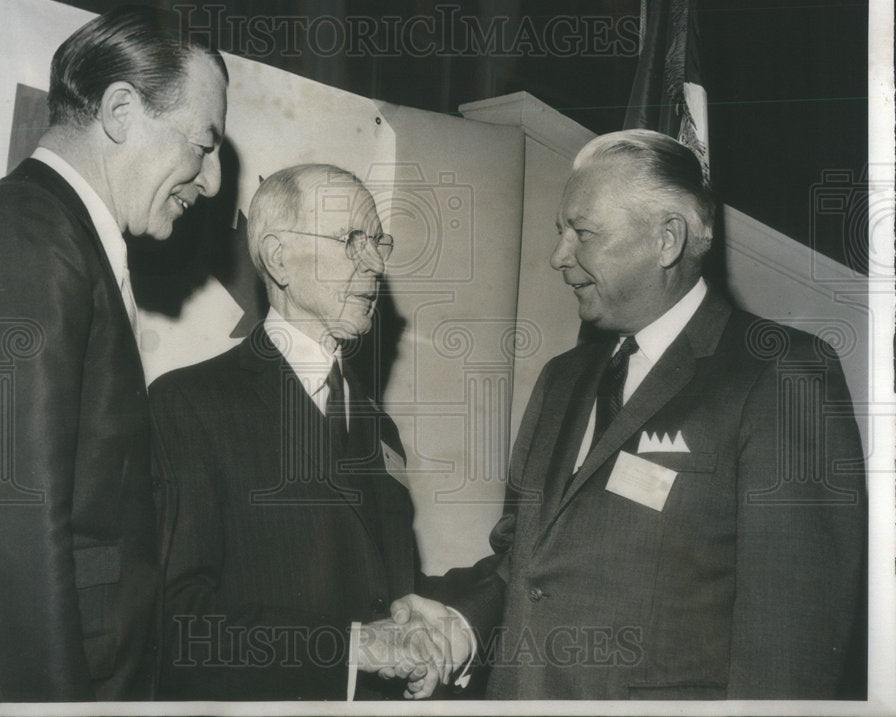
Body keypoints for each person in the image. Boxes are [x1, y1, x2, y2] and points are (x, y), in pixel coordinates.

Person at [378, 129, 868, 700]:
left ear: (667, 240)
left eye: (583, 234)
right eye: (560, 232)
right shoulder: (563, 379)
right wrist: (458, 624)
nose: (559, 257)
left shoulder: (779, 375)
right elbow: (525, 561)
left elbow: (791, 645)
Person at [0, 5, 227, 702]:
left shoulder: (47, 236)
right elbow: (9, 535)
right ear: (121, 110)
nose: (213, 184)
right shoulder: (26, 238)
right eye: (203, 148)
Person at [151, 164, 449, 701]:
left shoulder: (378, 427)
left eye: (378, 242)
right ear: (279, 257)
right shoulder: (190, 405)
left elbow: (383, 594)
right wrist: (347, 649)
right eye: (352, 240)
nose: (376, 264)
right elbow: (180, 625)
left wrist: (420, 635)